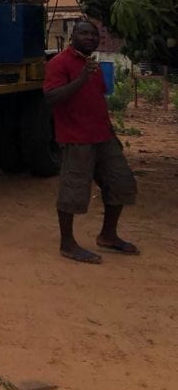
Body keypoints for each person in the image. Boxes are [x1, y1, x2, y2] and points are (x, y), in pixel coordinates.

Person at [44, 20, 139, 264]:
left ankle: (108, 235)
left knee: (121, 183)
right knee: (73, 191)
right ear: (72, 36)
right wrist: (81, 79)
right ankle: (67, 244)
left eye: (94, 34)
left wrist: (110, 132)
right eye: (84, 33)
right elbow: (52, 97)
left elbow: (97, 100)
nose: (90, 38)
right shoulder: (59, 63)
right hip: (76, 139)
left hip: (103, 137)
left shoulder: (92, 66)